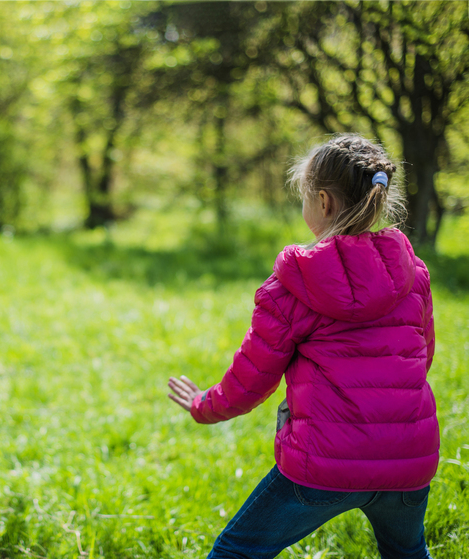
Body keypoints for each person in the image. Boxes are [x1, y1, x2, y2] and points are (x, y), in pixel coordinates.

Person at [168, 134, 438, 559]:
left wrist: (205, 405)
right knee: (407, 553)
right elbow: (423, 357)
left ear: (324, 203)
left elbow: (251, 380)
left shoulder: (293, 284)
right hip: (410, 462)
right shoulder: (414, 273)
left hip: (322, 466)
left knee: (237, 552)